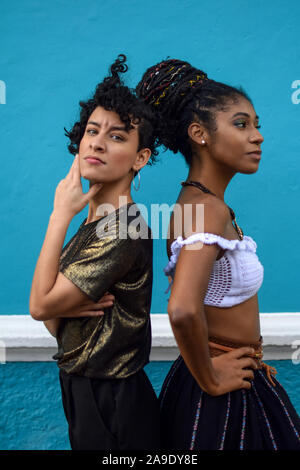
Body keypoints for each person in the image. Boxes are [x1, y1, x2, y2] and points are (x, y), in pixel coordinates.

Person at [136, 59, 300, 450]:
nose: (257, 136)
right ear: (199, 134)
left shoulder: (198, 203)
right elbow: (182, 309)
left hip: (228, 380)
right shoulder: (207, 210)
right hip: (223, 397)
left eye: (257, 124)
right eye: (241, 124)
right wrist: (210, 378)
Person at [29, 55, 160, 450]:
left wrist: (57, 216)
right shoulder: (92, 224)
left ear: (140, 158)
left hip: (113, 401)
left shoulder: (125, 227)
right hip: (82, 391)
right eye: (92, 131)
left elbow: (39, 307)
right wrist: (59, 308)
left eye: (117, 136)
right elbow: (54, 323)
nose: (98, 143)